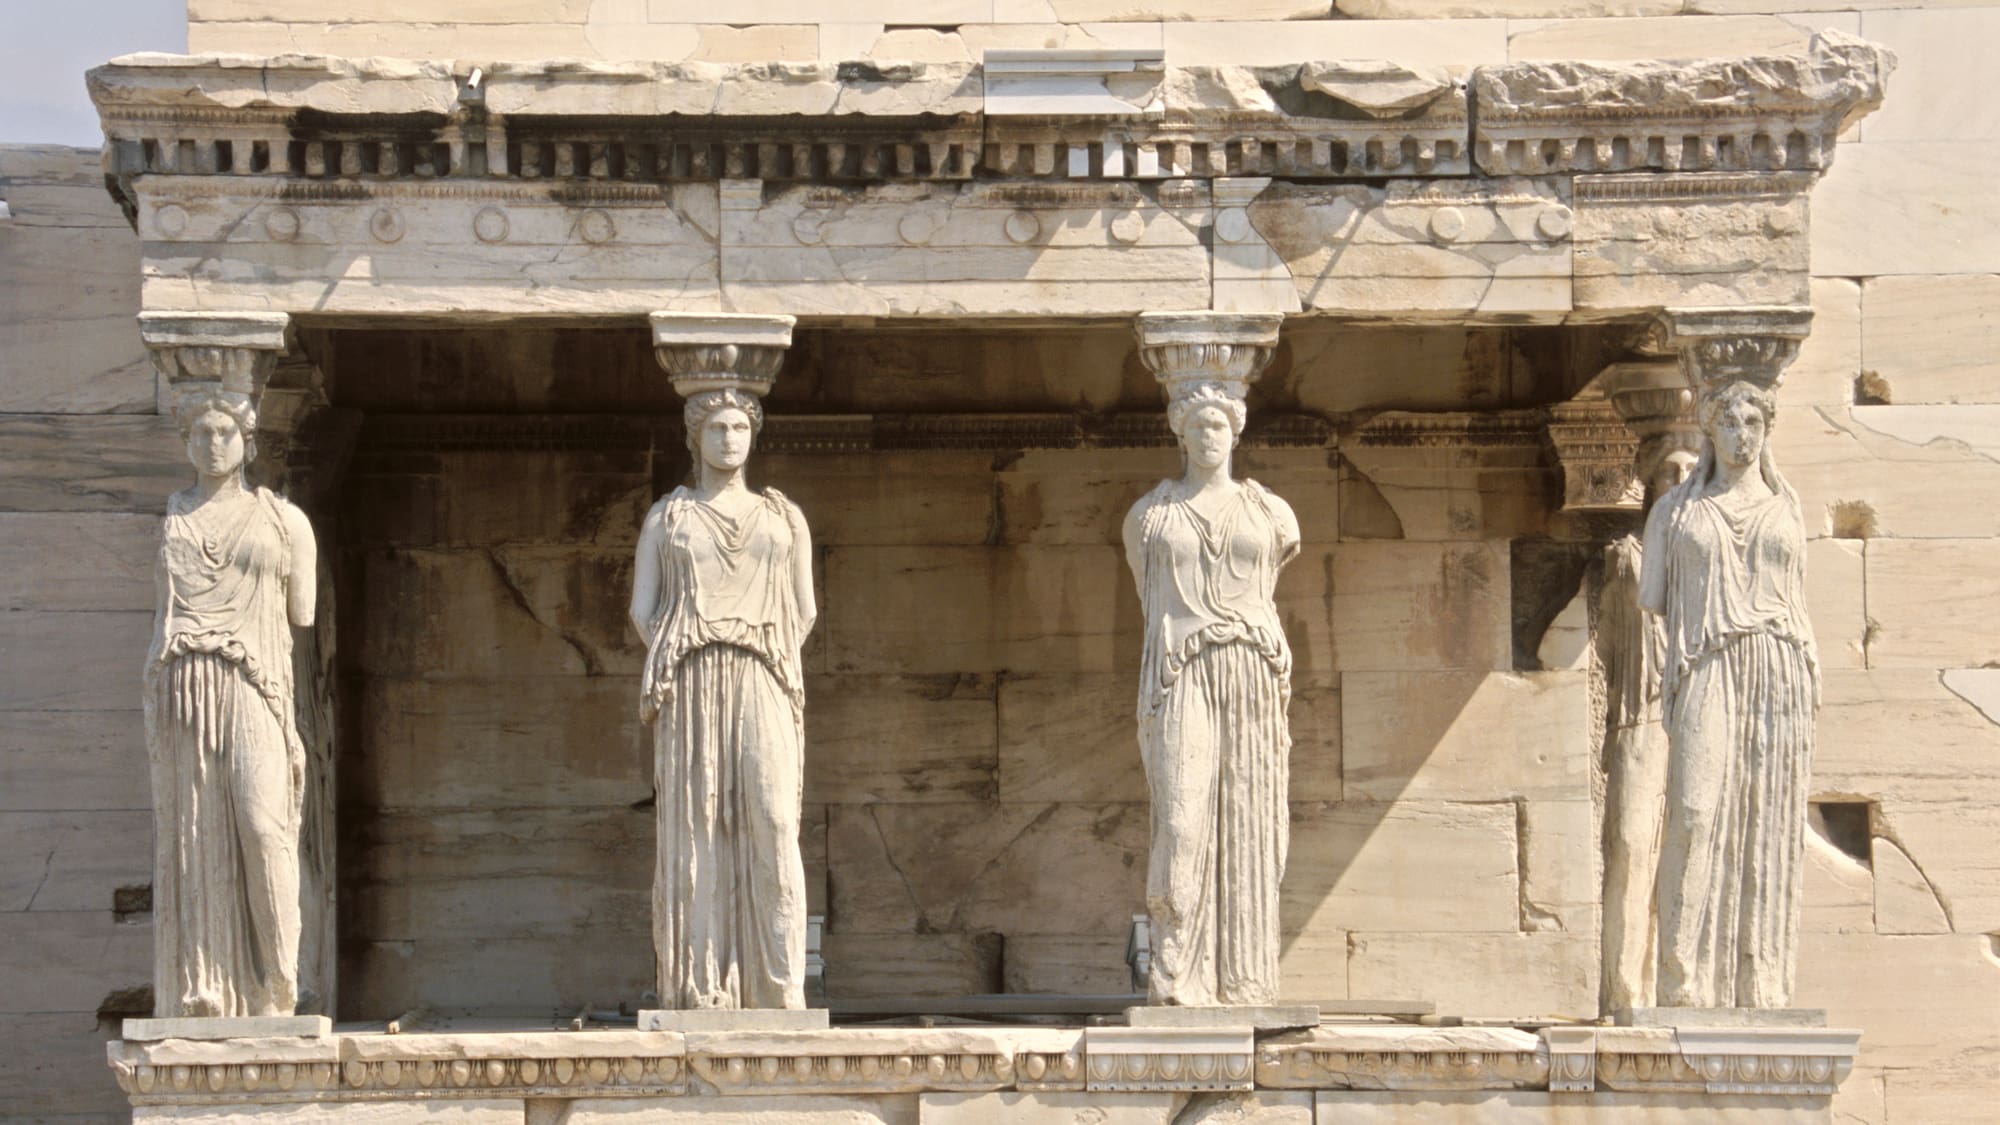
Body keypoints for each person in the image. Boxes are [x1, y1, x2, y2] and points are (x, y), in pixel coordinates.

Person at [630, 388, 816, 1010]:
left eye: (739, 426)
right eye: (716, 427)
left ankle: (779, 983)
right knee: (697, 824)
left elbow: (804, 608)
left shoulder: (784, 518)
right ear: (696, 436)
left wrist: (755, 645)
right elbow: (643, 608)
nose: (729, 437)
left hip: (764, 672)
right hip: (691, 680)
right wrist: (691, 644)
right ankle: (700, 985)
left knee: (774, 817)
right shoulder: (668, 516)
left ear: (754, 434)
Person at [1640, 379, 1818, 1008]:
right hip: (1706, 663)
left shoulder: (1787, 509)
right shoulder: (1674, 512)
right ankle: (1679, 978)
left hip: (1777, 665)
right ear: (1708, 431)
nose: (1743, 436)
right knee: (1694, 809)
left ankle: (1758, 982)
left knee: (1767, 816)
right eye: (1731, 423)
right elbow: (1652, 599)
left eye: (1754, 423)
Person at [1122, 380, 1300, 1006]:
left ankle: (1242, 980)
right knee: (1182, 816)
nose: (1208, 434)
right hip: (1181, 669)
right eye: (1196, 424)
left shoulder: (1272, 513)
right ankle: (1175, 970)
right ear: (1179, 431)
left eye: (1218, 423)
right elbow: (1151, 602)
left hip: (1252, 669)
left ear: (1236, 429)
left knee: (1250, 816)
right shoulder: (1150, 516)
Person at [146, 385, 316, 1018]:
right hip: (186, 684)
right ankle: (210, 989)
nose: (213, 444)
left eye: (226, 433)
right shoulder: (174, 518)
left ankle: (279, 986)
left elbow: (303, 610)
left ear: (248, 440)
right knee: (195, 832)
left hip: (256, 683)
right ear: (186, 441)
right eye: (201, 433)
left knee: (262, 822)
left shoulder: (285, 520)